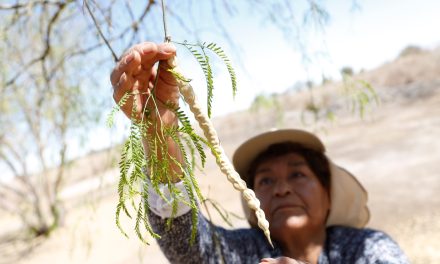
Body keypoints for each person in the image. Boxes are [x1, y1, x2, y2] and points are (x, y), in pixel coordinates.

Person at [111, 42, 409, 264]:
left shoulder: (365, 248)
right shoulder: (244, 252)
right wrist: (159, 130)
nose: (281, 189)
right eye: (265, 181)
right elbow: (186, 242)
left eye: (298, 174)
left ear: (328, 193)